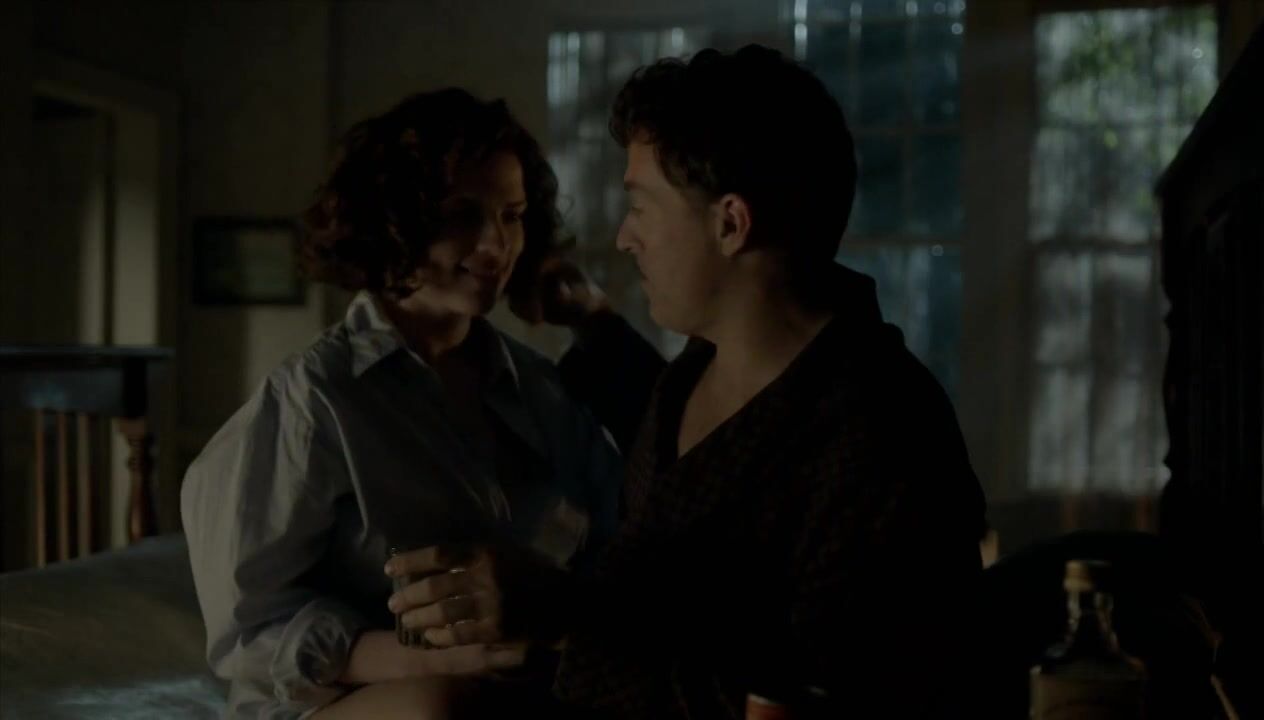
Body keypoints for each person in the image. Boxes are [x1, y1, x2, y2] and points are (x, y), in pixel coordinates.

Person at [389, 45, 989, 718]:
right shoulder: (692, 374)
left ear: (730, 223)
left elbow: (832, 701)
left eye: (641, 206)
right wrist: (593, 324)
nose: (625, 238)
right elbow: (694, 486)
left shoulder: (883, 437)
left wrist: (566, 621)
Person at [180, 88, 623, 720]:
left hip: (508, 686)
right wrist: (438, 659)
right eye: (463, 215)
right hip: (351, 701)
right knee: (444, 708)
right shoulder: (314, 396)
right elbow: (249, 633)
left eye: (513, 215)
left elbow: (618, 536)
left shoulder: (539, 389)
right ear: (395, 220)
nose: (496, 246)